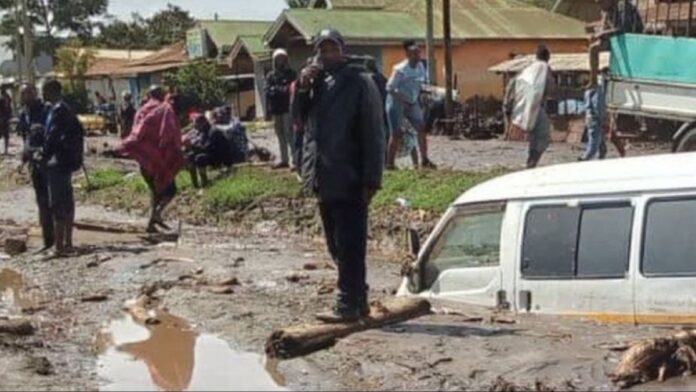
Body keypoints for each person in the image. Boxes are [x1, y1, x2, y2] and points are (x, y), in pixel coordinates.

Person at [295, 29, 385, 322]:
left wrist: (372, 178)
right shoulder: (316, 82)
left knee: (350, 243)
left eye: (333, 49)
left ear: (343, 50)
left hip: (351, 176)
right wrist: (303, 86)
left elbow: (374, 132)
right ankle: (357, 298)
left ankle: (347, 302)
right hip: (322, 175)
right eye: (323, 50)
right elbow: (299, 120)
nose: (328, 55)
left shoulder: (360, 82)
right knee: (334, 242)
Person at [120, 86, 185, 233]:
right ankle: (156, 215)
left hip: (145, 159)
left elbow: (136, 133)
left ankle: (151, 224)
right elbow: (169, 132)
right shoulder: (165, 110)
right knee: (170, 190)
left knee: (155, 191)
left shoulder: (141, 111)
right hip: (160, 160)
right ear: (162, 95)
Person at [42, 80, 85, 256]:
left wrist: (42, 154)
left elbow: (52, 137)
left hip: (58, 162)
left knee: (58, 203)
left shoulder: (58, 110)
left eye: (44, 91)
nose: (42, 94)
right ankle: (67, 243)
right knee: (67, 201)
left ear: (51, 91)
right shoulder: (65, 109)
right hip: (66, 162)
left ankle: (59, 246)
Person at [386, 40, 435, 170]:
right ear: (408, 55)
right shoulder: (400, 69)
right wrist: (402, 101)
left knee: (421, 129)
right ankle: (390, 164)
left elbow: (421, 84)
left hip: (412, 102)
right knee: (396, 133)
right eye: (415, 54)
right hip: (397, 102)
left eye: (419, 53)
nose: (418, 56)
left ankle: (424, 160)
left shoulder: (421, 67)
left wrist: (426, 95)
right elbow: (390, 88)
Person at [18, 84, 53, 251]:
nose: (25, 96)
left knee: (50, 200)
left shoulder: (46, 110)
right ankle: (47, 240)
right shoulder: (24, 113)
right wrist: (24, 157)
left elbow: (51, 133)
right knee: (41, 200)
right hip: (33, 162)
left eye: (28, 93)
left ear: (35, 94)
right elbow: (26, 138)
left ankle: (54, 240)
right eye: (23, 94)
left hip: (48, 161)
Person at [510, 46, 554, 169]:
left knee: (534, 137)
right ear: (548, 57)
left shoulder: (528, 69)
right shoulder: (545, 68)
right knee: (543, 136)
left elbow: (518, 85)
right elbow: (550, 87)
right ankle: (533, 161)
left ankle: (531, 160)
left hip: (525, 106)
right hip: (537, 106)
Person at [589, 0, 643, 87]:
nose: (600, 6)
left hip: (630, 40)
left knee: (595, 47)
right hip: (616, 39)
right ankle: (593, 80)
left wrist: (603, 34)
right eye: (598, 4)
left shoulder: (623, 7)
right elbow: (605, 27)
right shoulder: (606, 10)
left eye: (601, 3)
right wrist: (597, 34)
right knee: (593, 47)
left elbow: (623, 29)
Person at [265, 48, 297, 170]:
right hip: (275, 108)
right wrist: (268, 111)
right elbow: (268, 91)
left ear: (286, 59)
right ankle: (284, 159)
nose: (280, 61)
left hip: (287, 107)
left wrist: (277, 89)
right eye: (278, 59)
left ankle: (294, 160)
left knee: (289, 134)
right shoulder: (270, 75)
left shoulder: (291, 74)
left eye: (282, 58)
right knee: (279, 134)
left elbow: (290, 89)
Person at [580, 68, 610, 161]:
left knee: (597, 136)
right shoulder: (597, 89)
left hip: (590, 116)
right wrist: (603, 117)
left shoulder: (589, 90)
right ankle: (587, 157)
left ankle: (602, 152)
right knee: (594, 139)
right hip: (594, 117)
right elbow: (598, 105)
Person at [0, 88, 12, 155]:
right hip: (6, 118)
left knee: (4, 134)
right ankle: (6, 150)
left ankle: (5, 150)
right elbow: (9, 109)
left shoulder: (2, 99)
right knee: (6, 135)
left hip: (2, 118)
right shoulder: (8, 98)